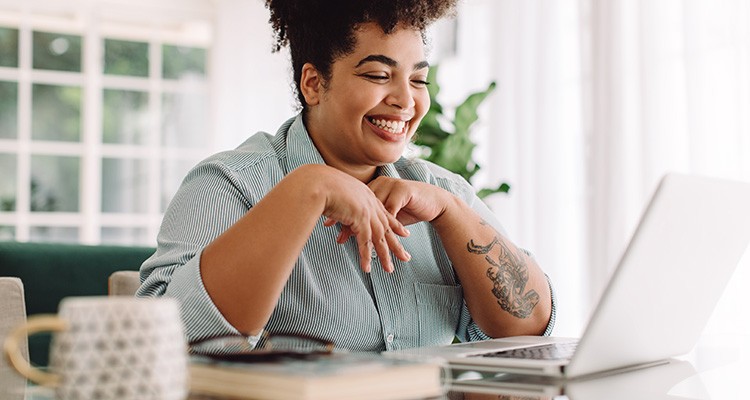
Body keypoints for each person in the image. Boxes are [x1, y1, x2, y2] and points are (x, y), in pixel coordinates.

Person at [137, 0, 555, 351]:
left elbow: (529, 330)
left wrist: (450, 213)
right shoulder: (227, 185)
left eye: (418, 79)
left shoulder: (441, 192)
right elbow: (165, 342)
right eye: (378, 75)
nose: (405, 100)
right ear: (314, 83)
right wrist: (307, 189)